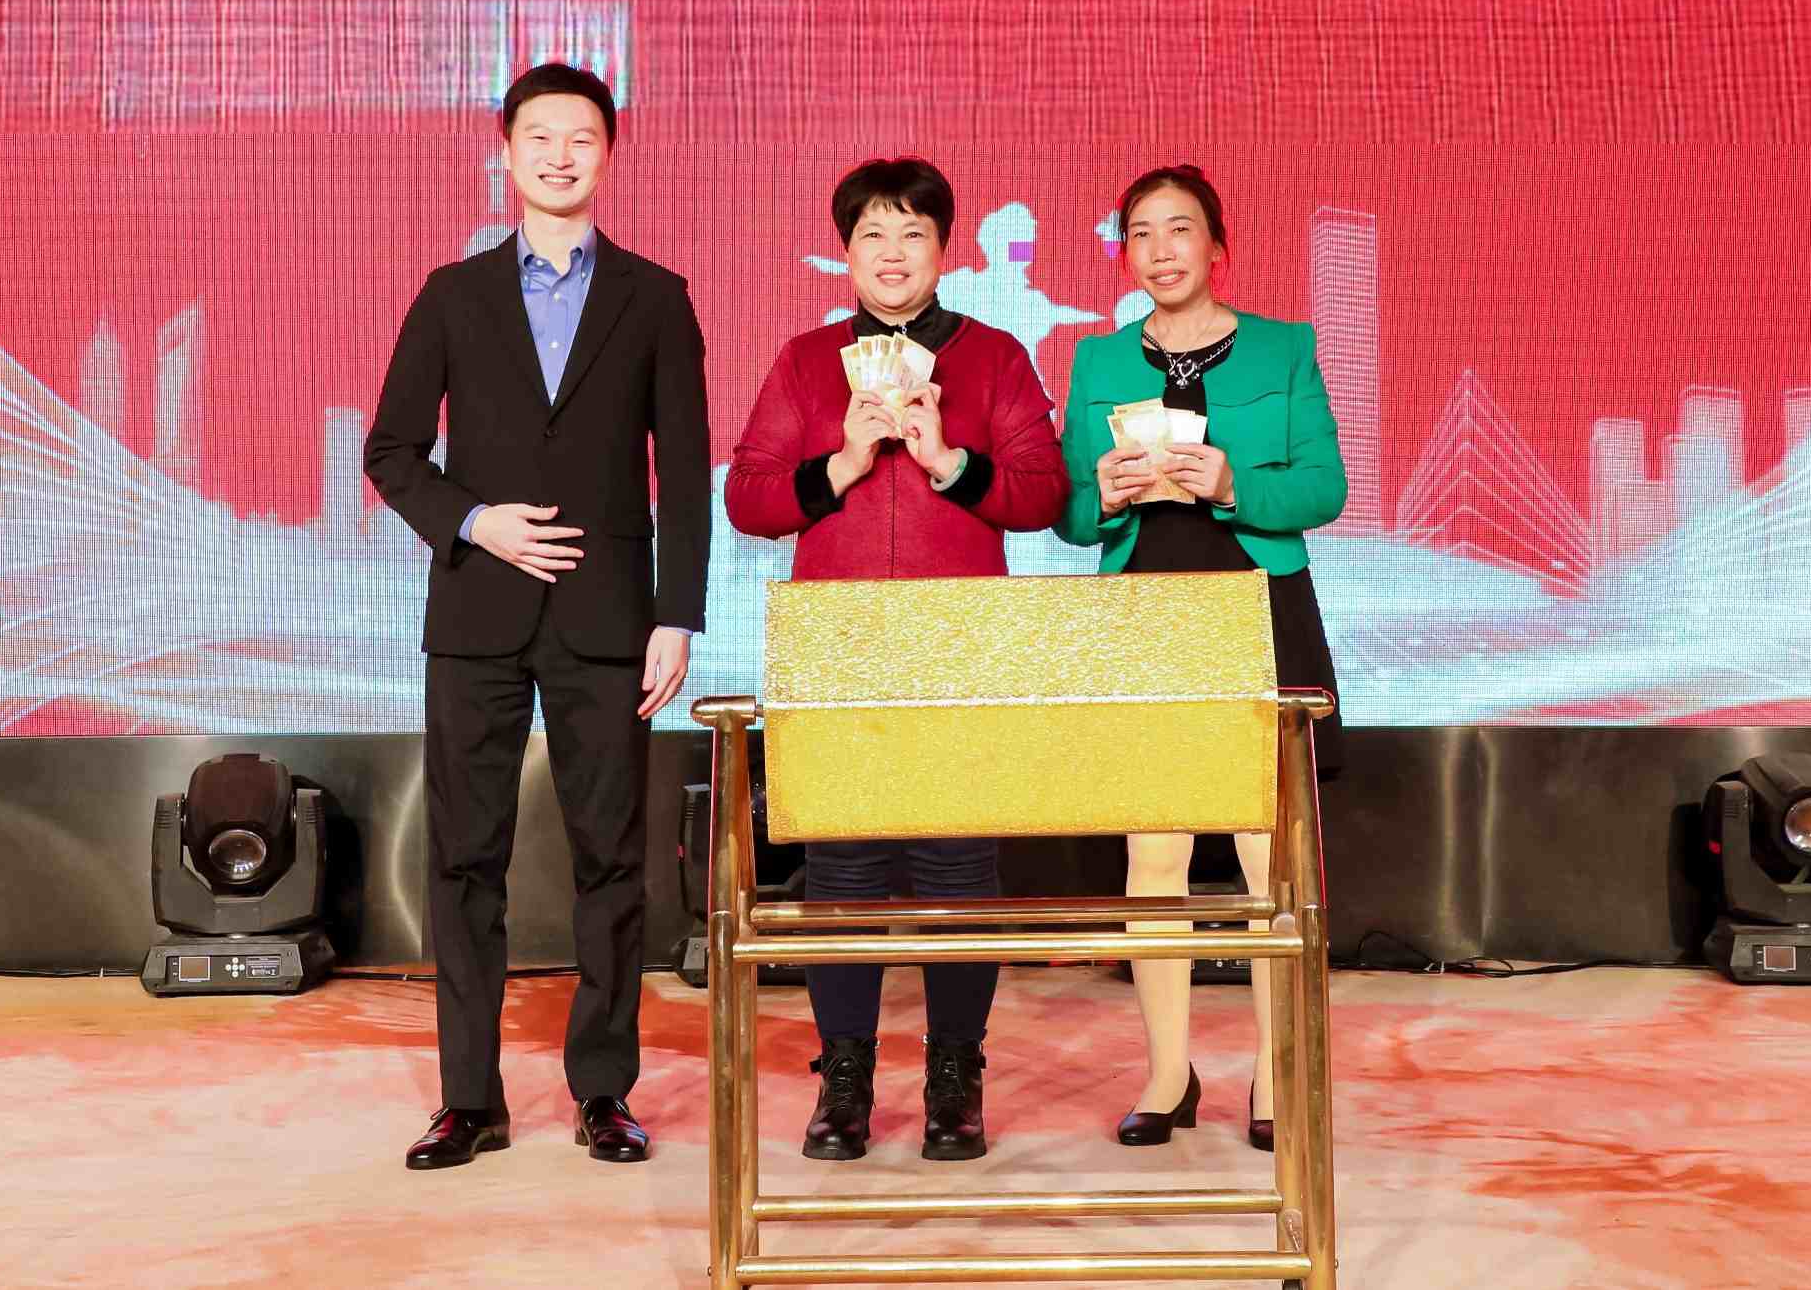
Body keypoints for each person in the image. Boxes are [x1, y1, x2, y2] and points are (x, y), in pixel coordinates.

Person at [364, 62, 711, 1173]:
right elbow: (391, 451)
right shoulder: (452, 293)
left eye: (582, 138)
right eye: (540, 137)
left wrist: (678, 615)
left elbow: (684, 472)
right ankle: (468, 1099)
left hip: (610, 619)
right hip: (477, 615)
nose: (561, 156)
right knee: (465, 858)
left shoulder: (656, 298)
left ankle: (604, 1090)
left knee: (613, 858)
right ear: (506, 152)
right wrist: (476, 521)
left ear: (610, 153)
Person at [725, 158, 1067, 1163]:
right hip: (836, 646)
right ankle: (845, 1078)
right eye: (872, 233)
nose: (891, 252)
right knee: (843, 864)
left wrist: (948, 462)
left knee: (960, 862)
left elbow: (1044, 492)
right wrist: (839, 461)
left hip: (960, 641)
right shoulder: (806, 360)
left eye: (912, 233)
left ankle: (956, 1076)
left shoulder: (993, 356)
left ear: (942, 251)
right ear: (846, 251)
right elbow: (747, 498)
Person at [1056, 164, 1347, 1155]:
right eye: (1141, 233)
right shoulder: (1098, 358)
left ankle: (1276, 1069)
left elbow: (1324, 487)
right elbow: (1068, 510)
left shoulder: (1285, 346)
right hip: (1147, 613)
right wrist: (1102, 494)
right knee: (1155, 852)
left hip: (1259, 608)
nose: (1162, 249)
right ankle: (1166, 1074)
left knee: (1269, 852)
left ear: (1218, 245)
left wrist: (1232, 483)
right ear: (1125, 255)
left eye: (1180, 229)